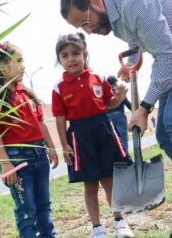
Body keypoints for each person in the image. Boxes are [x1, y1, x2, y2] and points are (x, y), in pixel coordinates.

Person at [60, 0, 172, 238]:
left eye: (85, 22)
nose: (88, 31)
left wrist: (145, 107)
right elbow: (137, 40)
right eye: (81, 28)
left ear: (95, 1)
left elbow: (166, 56)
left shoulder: (135, 1)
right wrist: (128, 65)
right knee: (165, 135)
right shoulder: (113, 15)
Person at [52, 33, 134, 238]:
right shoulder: (58, 88)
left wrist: (120, 97)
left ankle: (120, 221)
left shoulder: (98, 78)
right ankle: (97, 228)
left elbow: (109, 104)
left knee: (109, 180)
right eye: (65, 55)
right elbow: (60, 118)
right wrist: (64, 144)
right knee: (90, 184)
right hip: (79, 137)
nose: (71, 59)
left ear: (84, 54)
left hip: (103, 130)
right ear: (59, 59)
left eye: (76, 53)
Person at [0, 41, 59, 238]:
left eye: (23, 60)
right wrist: (6, 164)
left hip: (39, 154)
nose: (23, 66)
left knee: (44, 205)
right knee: (27, 211)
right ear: (1, 65)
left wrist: (51, 148)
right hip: (17, 161)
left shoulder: (25, 92)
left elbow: (40, 123)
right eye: (18, 61)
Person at [106, 75, 132, 149]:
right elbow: (128, 104)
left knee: (112, 142)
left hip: (108, 118)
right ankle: (126, 158)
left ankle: (116, 159)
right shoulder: (118, 91)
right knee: (123, 140)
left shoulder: (105, 92)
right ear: (115, 82)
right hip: (119, 116)